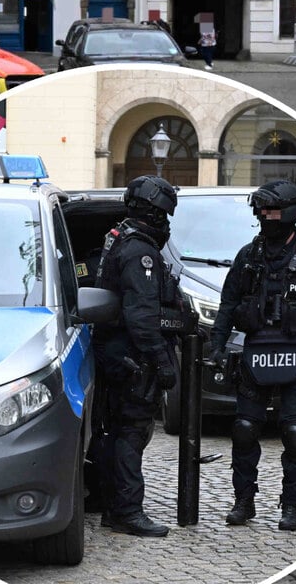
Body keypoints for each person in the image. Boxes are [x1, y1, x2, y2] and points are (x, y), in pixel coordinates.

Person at [208, 180, 296, 531]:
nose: (266, 217)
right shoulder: (248, 257)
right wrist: (217, 344)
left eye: (273, 211)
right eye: (262, 211)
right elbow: (228, 304)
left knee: (295, 431)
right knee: (243, 429)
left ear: (289, 213)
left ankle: (291, 506)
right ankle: (244, 501)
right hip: (257, 353)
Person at [91, 175, 181, 538]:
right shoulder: (139, 252)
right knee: (132, 431)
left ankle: (113, 506)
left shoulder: (118, 239)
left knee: (116, 431)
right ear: (156, 212)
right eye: (165, 213)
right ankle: (127, 511)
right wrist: (162, 362)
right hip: (132, 356)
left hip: (117, 351)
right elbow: (142, 317)